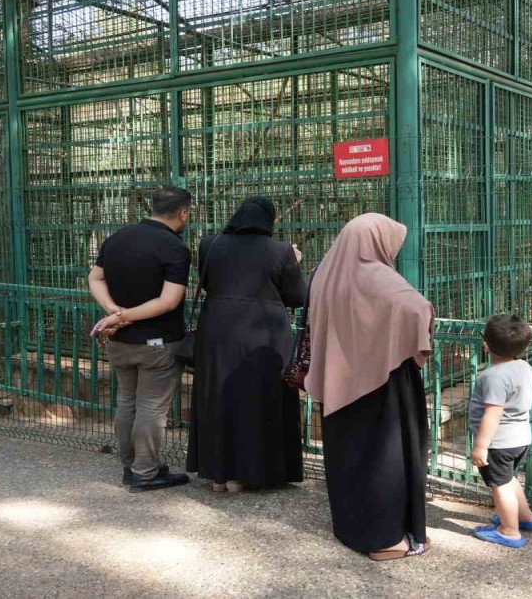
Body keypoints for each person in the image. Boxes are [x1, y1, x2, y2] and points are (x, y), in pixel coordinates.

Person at [305, 213, 433, 561]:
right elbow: (418, 309)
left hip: (338, 383)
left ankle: (354, 529)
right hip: (383, 385)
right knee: (384, 459)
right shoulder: (378, 277)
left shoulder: (325, 273)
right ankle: (384, 540)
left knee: (349, 459)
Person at [186, 198, 307, 492]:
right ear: (269, 220)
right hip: (262, 333)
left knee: (217, 395)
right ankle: (249, 474)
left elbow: (210, 281)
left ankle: (218, 473)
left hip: (216, 328)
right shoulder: (280, 250)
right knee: (259, 399)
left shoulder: (209, 244)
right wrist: (296, 262)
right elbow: (297, 296)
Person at [89, 187, 193, 492]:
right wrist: (121, 316)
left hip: (120, 342)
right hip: (157, 343)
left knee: (126, 402)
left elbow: (94, 278)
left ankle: (130, 467)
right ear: (183, 213)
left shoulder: (118, 237)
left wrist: (113, 311)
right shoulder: (174, 248)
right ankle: (145, 472)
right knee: (150, 407)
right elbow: (168, 301)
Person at [469, 314, 532, 549]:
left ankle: (509, 530)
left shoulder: (493, 376)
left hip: (498, 443)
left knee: (499, 486)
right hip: (520, 438)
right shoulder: (524, 367)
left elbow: (493, 413)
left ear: (486, 345)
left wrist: (481, 445)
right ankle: (526, 517)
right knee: (508, 480)